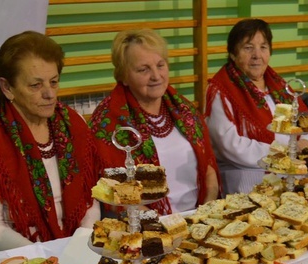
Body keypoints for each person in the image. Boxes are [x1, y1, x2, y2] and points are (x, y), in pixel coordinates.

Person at [0, 31, 100, 257]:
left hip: (69, 247)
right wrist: (46, 255)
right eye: (35, 85)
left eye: (54, 82)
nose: (49, 94)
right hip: (4, 254)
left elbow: (90, 197)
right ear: (7, 88)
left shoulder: (72, 123)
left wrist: (81, 242)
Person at [89, 28, 220, 214]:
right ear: (124, 76)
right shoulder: (107, 122)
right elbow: (114, 192)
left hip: (199, 218)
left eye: (160, 65)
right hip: (145, 227)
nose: (156, 76)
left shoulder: (185, 110)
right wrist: (160, 225)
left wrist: (205, 212)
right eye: (144, 69)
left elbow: (209, 168)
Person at [205, 18, 308, 194]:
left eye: (263, 47)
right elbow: (229, 146)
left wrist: (305, 143)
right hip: (247, 175)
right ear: (233, 53)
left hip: (292, 169)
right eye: (248, 48)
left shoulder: (278, 86)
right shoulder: (221, 90)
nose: (257, 55)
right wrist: (283, 154)